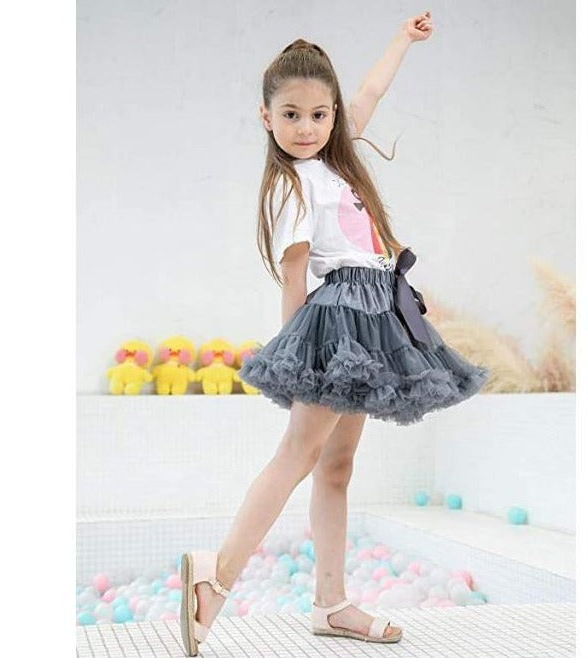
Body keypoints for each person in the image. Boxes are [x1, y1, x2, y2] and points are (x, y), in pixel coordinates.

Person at [180, 10, 490, 656]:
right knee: (297, 453)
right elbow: (294, 278)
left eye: (319, 115)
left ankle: (331, 603)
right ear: (266, 117)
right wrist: (297, 362)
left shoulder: (339, 163)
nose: (307, 127)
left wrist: (403, 39)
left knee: (337, 466)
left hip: (376, 313)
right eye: (291, 114)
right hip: (338, 319)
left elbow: (371, 90)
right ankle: (217, 576)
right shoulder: (291, 186)